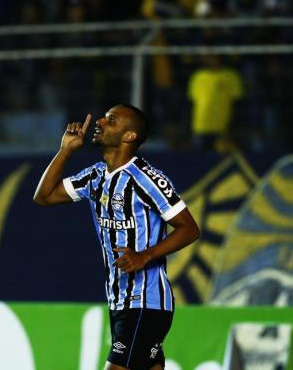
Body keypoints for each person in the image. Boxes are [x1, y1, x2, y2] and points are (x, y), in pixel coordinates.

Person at [33, 104, 199, 370]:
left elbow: (189, 228)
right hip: (118, 299)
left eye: (111, 120)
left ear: (129, 136)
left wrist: (146, 255)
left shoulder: (147, 179)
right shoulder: (95, 176)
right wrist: (65, 151)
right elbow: (44, 196)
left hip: (146, 301)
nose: (100, 120)